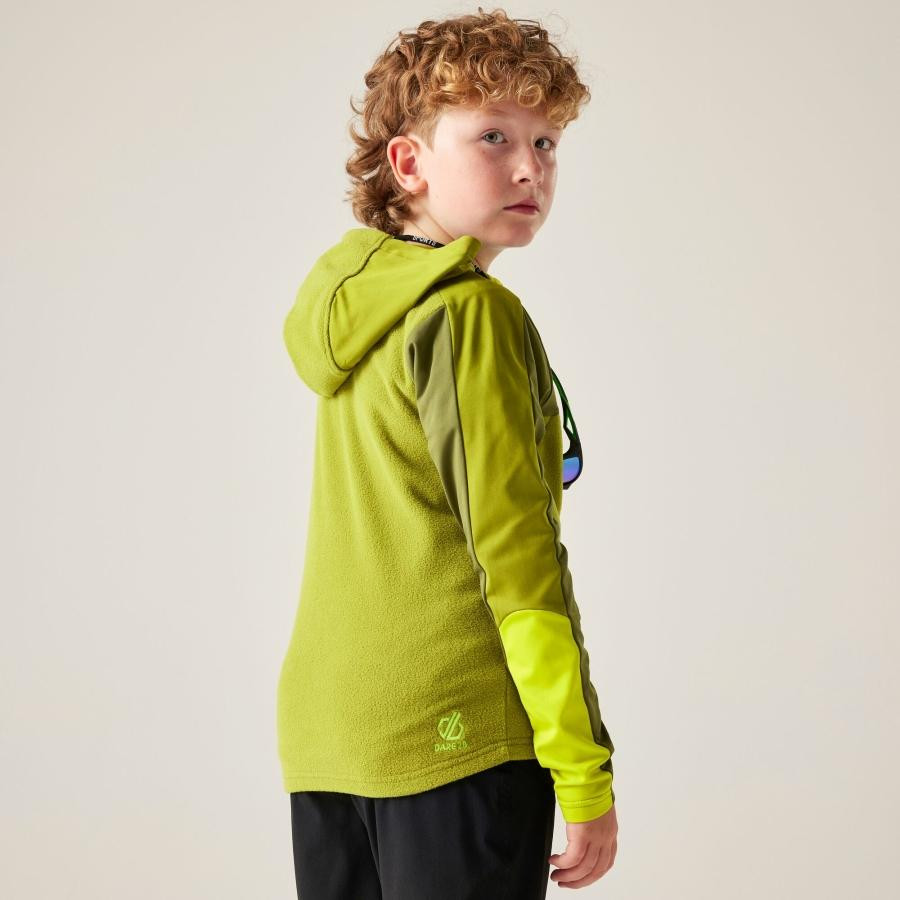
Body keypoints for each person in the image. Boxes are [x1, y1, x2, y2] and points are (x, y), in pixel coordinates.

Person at [277, 7, 619, 897]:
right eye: (494, 135)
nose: (529, 167)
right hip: (454, 733)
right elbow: (519, 564)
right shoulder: (470, 316)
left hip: (329, 736)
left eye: (546, 143)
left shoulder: (356, 309)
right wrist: (582, 769)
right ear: (409, 163)